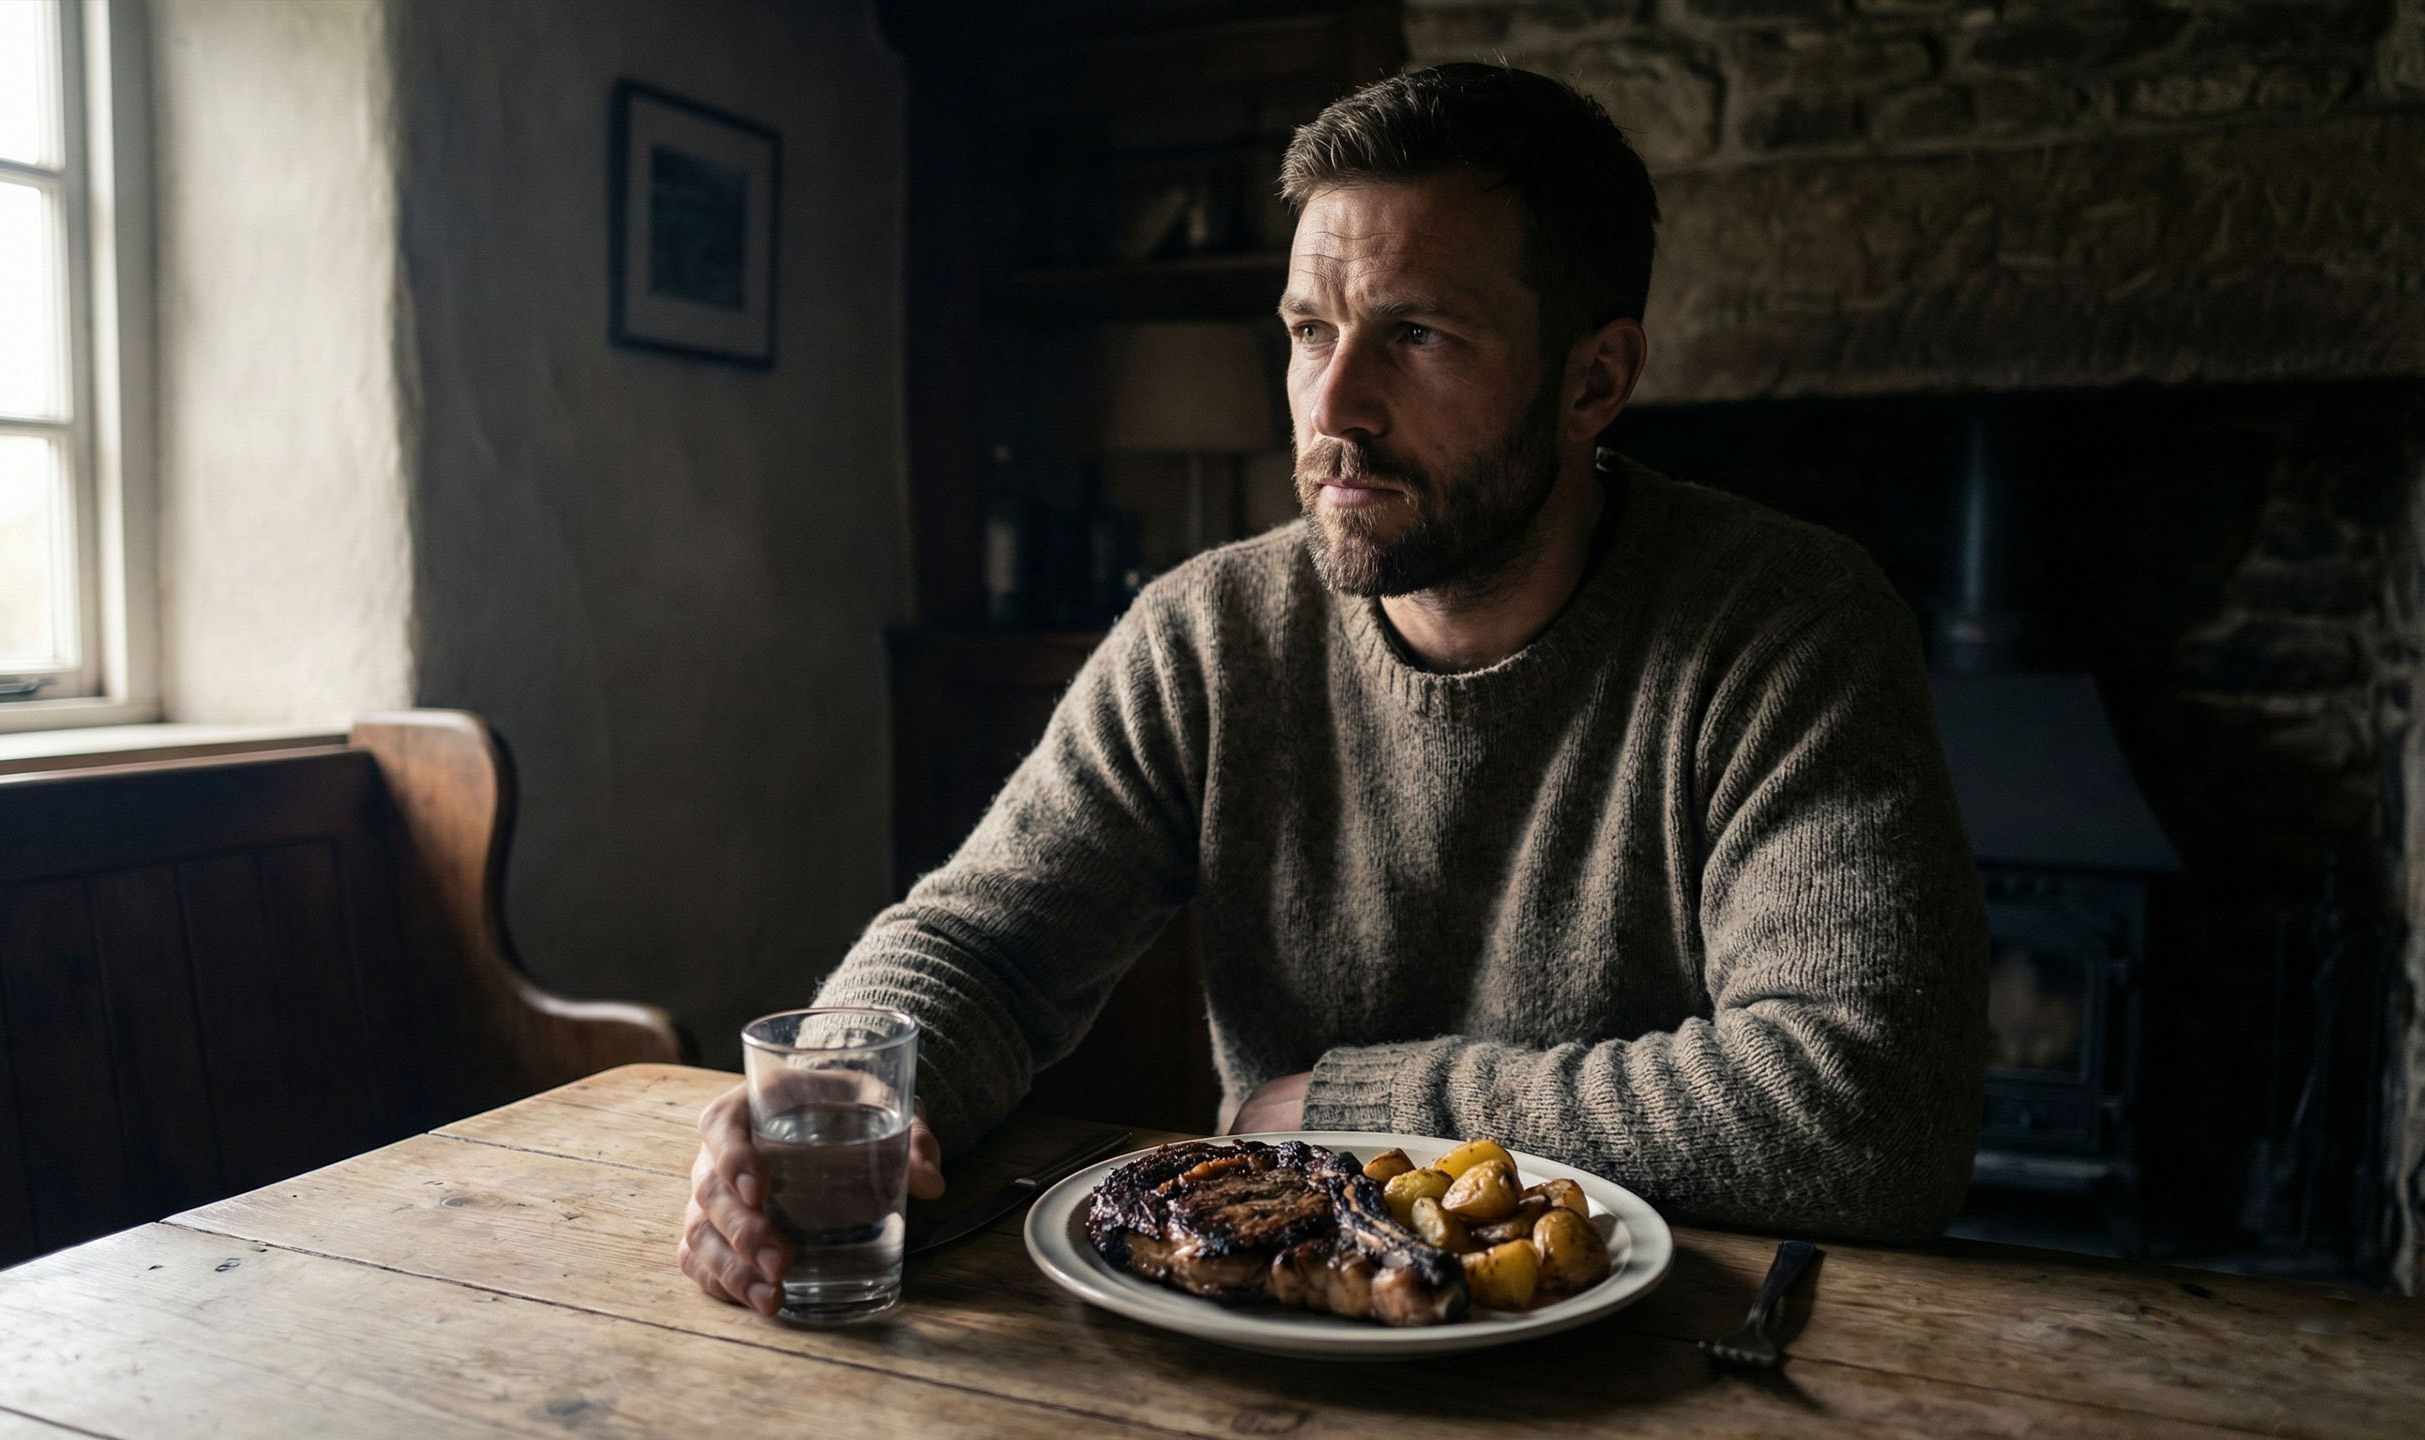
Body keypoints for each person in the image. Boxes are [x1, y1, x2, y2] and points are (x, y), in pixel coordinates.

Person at [680, 63, 1986, 1315]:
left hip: (1669, 1363)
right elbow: (988, 943)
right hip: (1273, 1333)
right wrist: (839, 1084)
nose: (1334, 405)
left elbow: (1865, 1109)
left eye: (1416, 334)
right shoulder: (1208, 632)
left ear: (1595, 379)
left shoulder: (1785, 626)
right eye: (1311, 330)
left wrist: (1356, 1104)